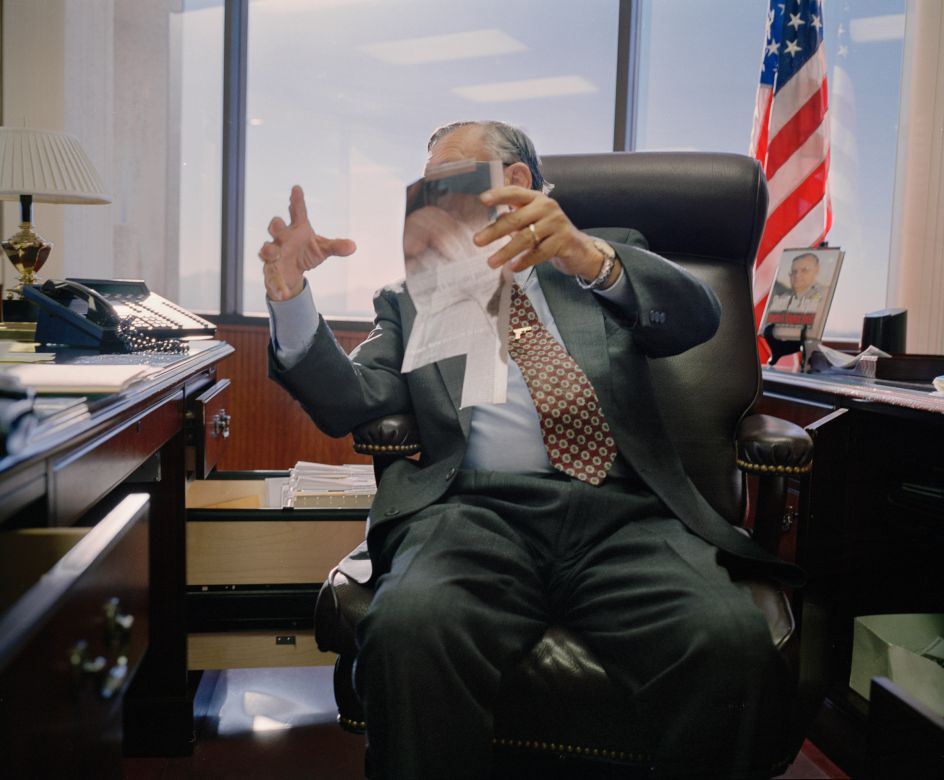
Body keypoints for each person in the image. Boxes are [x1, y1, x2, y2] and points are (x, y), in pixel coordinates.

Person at [259, 120, 803, 780]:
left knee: (729, 643)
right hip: (473, 515)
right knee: (409, 628)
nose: (429, 194)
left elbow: (697, 319)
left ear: (513, 181)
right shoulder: (412, 299)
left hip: (624, 516)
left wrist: (588, 258)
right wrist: (290, 302)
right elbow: (350, 399)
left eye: (445, 178)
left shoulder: (605, 259)